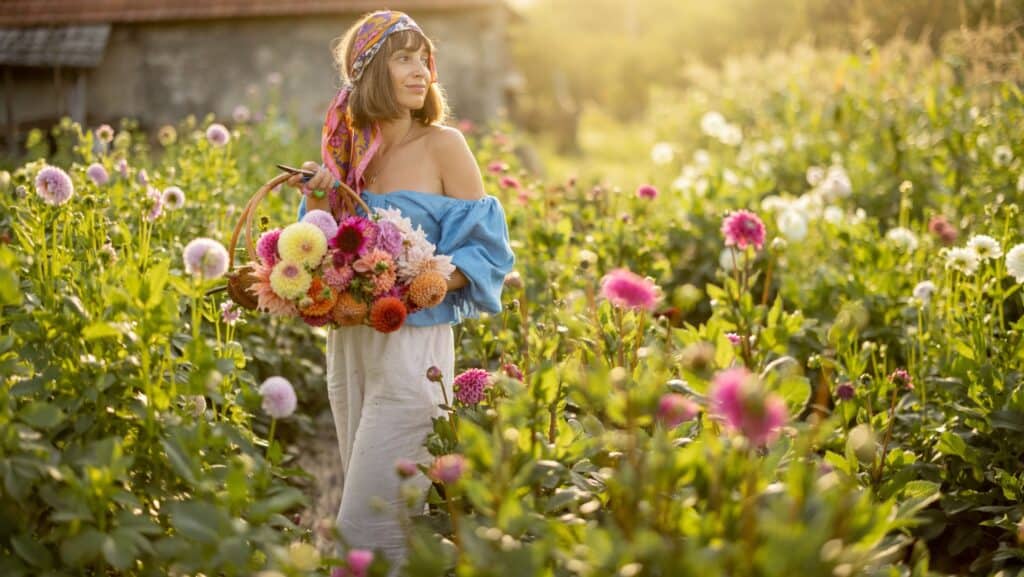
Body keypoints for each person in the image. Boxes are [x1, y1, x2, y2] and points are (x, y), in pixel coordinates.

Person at [287, 9, 515, 573]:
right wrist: (318, 200)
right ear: (368, 71)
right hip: (353, 346)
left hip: (415, 348)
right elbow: (318, 253)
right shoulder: (349, 157)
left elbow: (486, 250)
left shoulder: (444, 146)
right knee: (382, 500)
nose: (421, 72)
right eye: (403, 58)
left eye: (424, 59)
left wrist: (427, 281)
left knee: (368, 516)